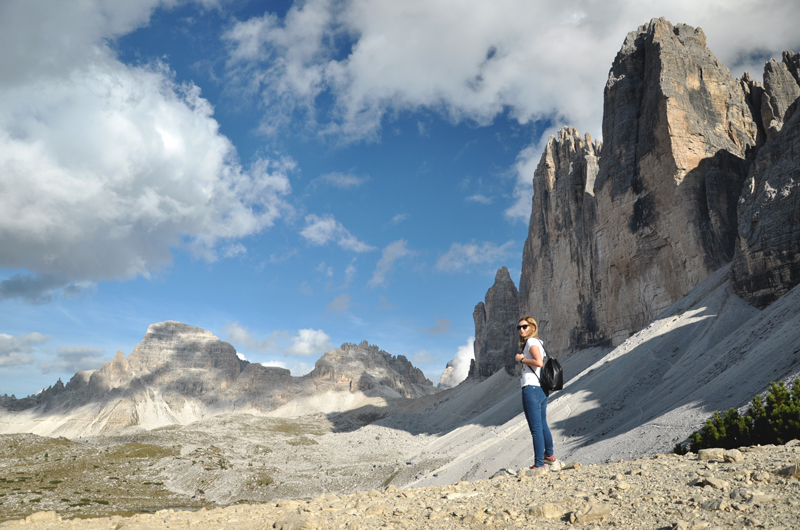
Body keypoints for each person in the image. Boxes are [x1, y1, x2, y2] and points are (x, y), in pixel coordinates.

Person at [514, 316, 555, 469]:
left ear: (532, 327)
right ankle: (549, 455)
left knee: (535, 428)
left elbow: (539, 362)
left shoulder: (531, 342)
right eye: (519, 327)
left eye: (524, 326)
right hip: (541, 389)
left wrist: (521, 359)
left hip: (531, 389)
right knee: (542, 424)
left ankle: (539, 464)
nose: (521, 330)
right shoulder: (540, 343)